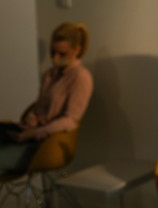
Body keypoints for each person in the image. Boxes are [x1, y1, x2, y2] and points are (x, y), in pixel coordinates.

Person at [0, 22, 93, 175]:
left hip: (45, 143)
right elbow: (39, 107)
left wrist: (35, 133)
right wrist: (32, 119)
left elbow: (70, 120)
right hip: (30, 133)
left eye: (62, 54)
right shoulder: (49, 74)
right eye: (52, 52)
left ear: (77, 50)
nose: (55, 58)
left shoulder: (81, 77)